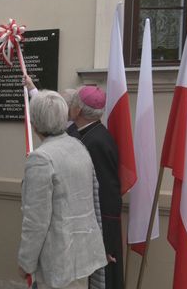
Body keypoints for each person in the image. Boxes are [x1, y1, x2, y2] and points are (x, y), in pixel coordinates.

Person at [18, 90, 107, 289]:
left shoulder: (40, 159)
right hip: (83, 256)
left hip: (58, 263)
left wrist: (26, 262)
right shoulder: (77, 145)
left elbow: (36, 221)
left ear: (34, 122)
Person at [65, 86, 123, 289]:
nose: (68, 105)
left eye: (72, 102)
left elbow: (109, 193)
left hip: (97, 233)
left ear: (78, 110)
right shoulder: (80, 131)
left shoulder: (97, 141)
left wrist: (107, 243)